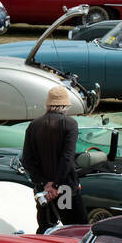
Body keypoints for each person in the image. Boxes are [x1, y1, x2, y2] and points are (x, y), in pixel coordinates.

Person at [21, 85, 86, 232]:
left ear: (48, 105)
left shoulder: (34, 125)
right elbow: (67, 158)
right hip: (65, 189)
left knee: (45, 228)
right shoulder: (70, 124)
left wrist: (45, 184)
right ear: (65, 106)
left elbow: (27, 160)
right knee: (76, 229)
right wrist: (56, 185)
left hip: (43, 190)